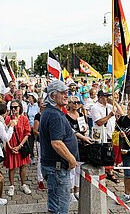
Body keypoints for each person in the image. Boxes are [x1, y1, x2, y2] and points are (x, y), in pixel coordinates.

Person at [40, 79, 79, 214]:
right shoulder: (54, 115)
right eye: (62, 93)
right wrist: (72, 160)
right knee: (60, 207)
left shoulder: (51, 111)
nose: (66, 95)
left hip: (53, 167)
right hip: (57, 168)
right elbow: (56, 143)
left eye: (66, 92)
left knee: (54, 204)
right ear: (52, 96)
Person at [66, 95, 92, 202]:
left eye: (77, 102)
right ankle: (70, 192)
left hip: (81, 144)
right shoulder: (65, 116)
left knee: (79, 169)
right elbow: (71, 131)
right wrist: (82, 136)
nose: (76, 104)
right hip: (71, 144)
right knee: (72, 168)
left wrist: (85, 129)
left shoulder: (80, 114)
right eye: (74, 102)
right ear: (69, 104)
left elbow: (83, 128)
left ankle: (77, 190)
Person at [4, 99, 32, 196]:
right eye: (11, 107)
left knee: (23, 166)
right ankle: (11, 186)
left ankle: (23, 184)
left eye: (15, 107)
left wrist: (20, 146)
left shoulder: (24, 119)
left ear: (20, 107)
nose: (13, 109)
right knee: (12, 167)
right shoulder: (8, 119)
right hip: (11, 146)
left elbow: (27, 134)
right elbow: (4, 134)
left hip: (21, 145)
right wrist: (10, 147)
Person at [32, 98, 45, 191]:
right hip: (41, 141)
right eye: (42, 103)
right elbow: (35, 131)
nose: (44, 104)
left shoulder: (49, 114)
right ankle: (40, 179)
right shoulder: (38, 116)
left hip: (49, 141)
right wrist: (43, 136)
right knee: (41, 159)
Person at [26, 92, 39, 165]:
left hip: (36, 127)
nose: (29, 99)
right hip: (29, 127)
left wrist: (35, 126)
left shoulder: (37, 106)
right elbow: (27, 116)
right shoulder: (28, 106)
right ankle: (32, 157)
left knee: (37, 143)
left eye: (30, 97)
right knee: (30, 143)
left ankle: (39, 156)